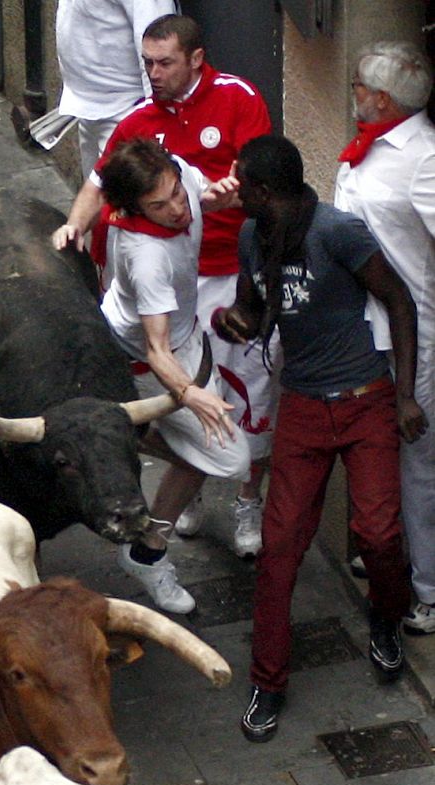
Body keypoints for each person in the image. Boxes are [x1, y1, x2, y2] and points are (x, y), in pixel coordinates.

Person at [213, 134, 427, 743]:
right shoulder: (253, 236)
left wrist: (405, 394)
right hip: (304, 406)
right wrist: (236, 321)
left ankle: (385, 616)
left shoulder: (337, 232)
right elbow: (253, 307)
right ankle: (267, 682)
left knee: (378, 534)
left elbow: (400, 302)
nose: (235, 188)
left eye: (242, 181)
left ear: (264, 190)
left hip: (365, 400)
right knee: (279, 549)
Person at [53, 14, 274, 559]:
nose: (152, 73)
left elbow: (254, 180)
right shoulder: (138, 123)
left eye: (164, 62)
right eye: (147, 62)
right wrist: (74, 224)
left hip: (228, 275)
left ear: (196, 59)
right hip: (171, 296)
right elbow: (97, 183)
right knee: (184, 398)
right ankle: (187, 490)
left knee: (249, 391)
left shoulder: (238, 99)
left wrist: (226, 195)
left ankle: (248, 499)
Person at [97, 137, 251, 613]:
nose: (177, 209)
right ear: (134, 210)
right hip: (151, 359)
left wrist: (213, 196)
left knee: (199, 457)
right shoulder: (146, 258)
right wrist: (189, 394)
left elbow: (198, 195)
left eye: (177, 194)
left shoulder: (178, 171)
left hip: (189, 339)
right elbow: (156, 350)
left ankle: (147, 551)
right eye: (159, 206)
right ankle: (127, 431)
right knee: (228, 459)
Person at [334, 41, 435, 636]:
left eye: (357, 86)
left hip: (413, 330)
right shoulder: (367, 148)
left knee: (417, 457)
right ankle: (383, 554)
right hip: (360, 326)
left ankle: (427, 588)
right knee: (372, 442)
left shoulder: (423, 158)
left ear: (382, 98)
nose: (352, 94)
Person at [56, 0, 180, 179]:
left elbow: (161, 48)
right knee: (93, 191)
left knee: (122, 192)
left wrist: (155, 120)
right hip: (86, 106)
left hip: (126, 109)